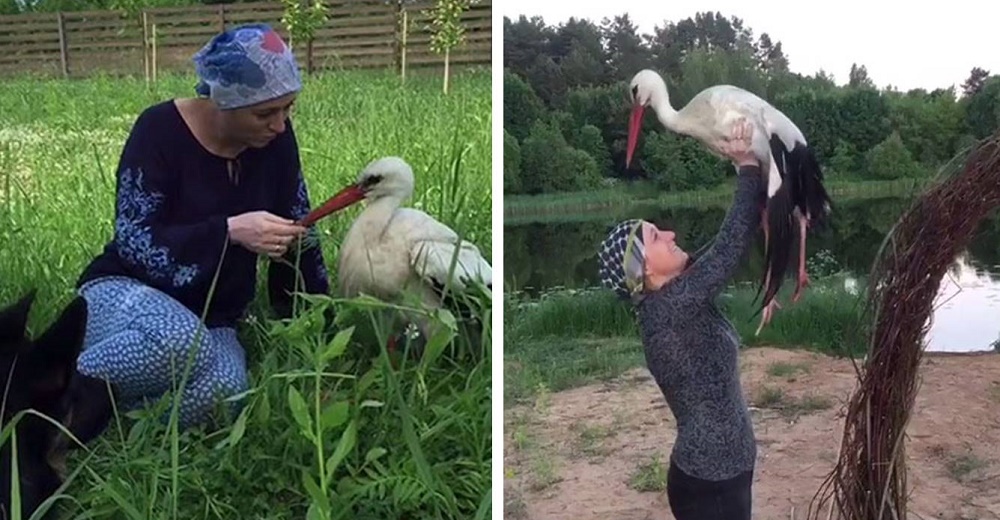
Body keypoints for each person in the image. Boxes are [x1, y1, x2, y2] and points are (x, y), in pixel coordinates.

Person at [73, 23, 330, 430]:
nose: (280, 125)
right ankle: (45, 389)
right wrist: (228, 231)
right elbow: (135, 240)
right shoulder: (158, 130)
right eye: (265, 112)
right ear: (222, 101)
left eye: (288, 109)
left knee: (229, 390)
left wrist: (314, 332)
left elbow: (298, 229)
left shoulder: (276, 141)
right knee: (179, 343)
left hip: (212, 313)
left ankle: (104, 422)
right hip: (124, 293)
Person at [596, 118, 763, 519]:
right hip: (709, 484)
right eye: (656, 237)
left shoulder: (672, 298)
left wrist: (763, 178)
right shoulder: (669, 311)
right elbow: (727, 252)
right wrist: (747, 169)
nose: (670, 234)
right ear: (646, 272)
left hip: (723, 474)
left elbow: (726, 241)